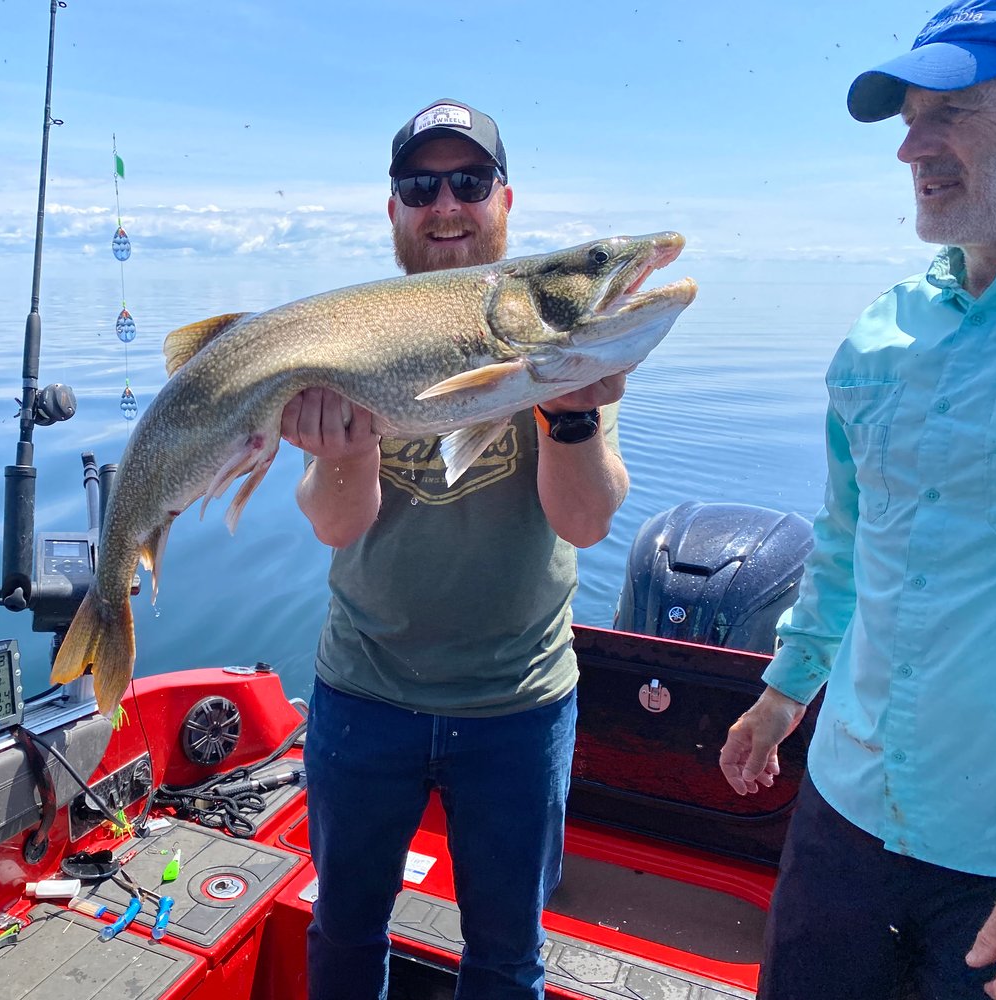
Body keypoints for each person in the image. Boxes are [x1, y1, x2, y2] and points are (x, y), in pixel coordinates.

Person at [278, 99, 628, 1000]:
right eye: (419, 185)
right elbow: (333, 525)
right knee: (344, 930)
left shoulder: (566, 337)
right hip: (363, 692)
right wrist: (345, 452)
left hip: (517, 703)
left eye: (468, 183)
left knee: (507, 956)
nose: (445, 204)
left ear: (504, 200)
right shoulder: (350, 338)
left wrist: (573, 409)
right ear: (392, 209)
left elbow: (585, 521)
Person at [718, 3, 996, 998]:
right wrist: (781, 693)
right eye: (908, 116)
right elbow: (847, 545)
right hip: (840, 816)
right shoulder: (880, 332)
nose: (911, 146)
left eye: (956, 109)